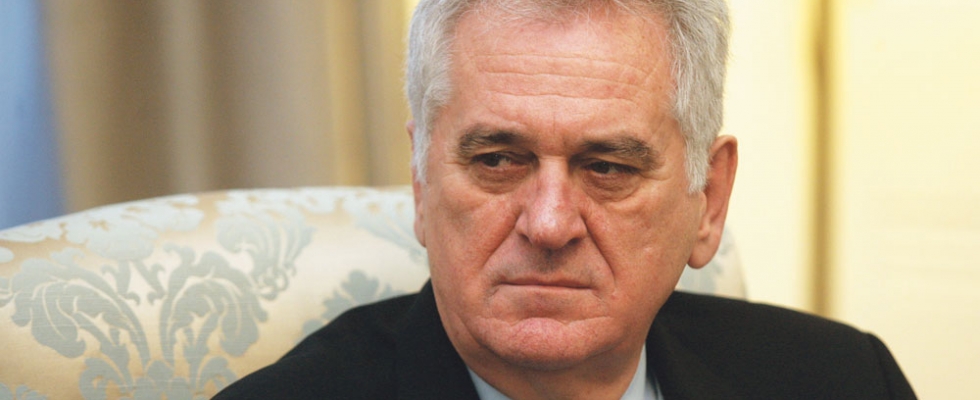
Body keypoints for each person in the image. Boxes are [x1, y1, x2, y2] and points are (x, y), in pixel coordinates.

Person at [215, 0, 916, 398]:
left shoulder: (847, 381)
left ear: (709, 199)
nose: (549, 224)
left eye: (607, 167)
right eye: (497, 160)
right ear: (423, 183)